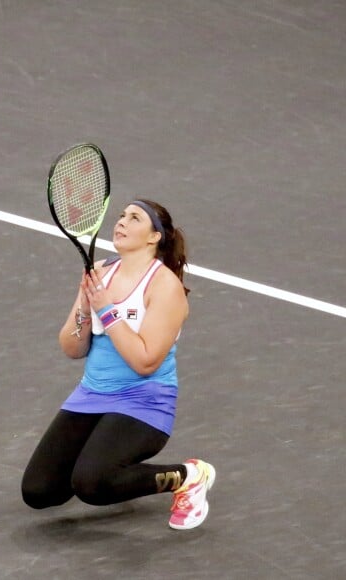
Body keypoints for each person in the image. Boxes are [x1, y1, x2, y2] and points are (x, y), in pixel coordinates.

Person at [21, 199, 215, 530]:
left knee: (92, 484)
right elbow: (72, 347)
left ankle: (189, 476)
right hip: (91, 396)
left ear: (154, 237)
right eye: (122, 215)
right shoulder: (100, 272)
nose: (122, 222)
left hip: (144, 402)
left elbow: (145, 361)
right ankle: (111, 465)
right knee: (39, 491)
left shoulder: (164, 287)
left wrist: (108, 310)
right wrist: (85, 303)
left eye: (135, 218)